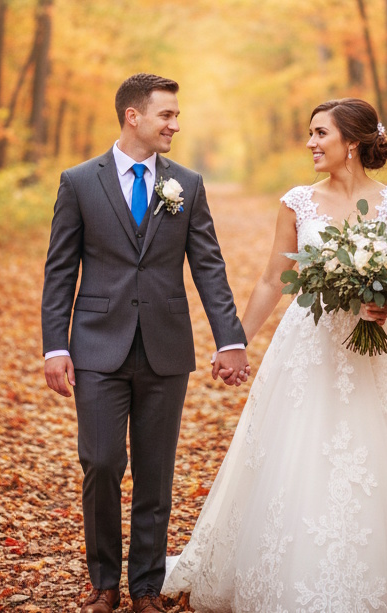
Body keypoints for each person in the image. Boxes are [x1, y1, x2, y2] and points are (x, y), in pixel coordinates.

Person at [163, 98, 387, 611]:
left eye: (319, 133)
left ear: (350, 142)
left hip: (374, 353)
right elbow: (273, 280)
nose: (310, 143)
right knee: (297, 449)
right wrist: (235, 341)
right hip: (307, 347)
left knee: (378, 451)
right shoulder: (297, 202)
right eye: (310, 134)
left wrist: (386, 308)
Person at [41, 73, 251, 613]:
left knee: (156, 473)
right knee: (103, 462)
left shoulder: (187, 184)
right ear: (133, 116)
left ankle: (146, 589)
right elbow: (60, 271)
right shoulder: (79, 182)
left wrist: (230, 339)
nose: (175, 125)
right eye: (166, 115)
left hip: (164, 347)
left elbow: (208, 266)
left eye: (177, 116)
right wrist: (55, 346)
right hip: (96, 347)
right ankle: (104, 583)